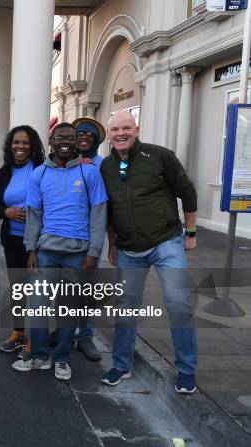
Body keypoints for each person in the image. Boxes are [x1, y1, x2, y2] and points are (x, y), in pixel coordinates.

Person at [100, 111, 198, 394]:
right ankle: (121, 364)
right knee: (125, 308)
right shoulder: (106, 166)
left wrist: (190, 233)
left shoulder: (160, 156)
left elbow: (188, 193)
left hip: (166, 243)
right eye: (115, 129)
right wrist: (114, 244)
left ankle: (186, 369)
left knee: (178, 303)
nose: (121, 133)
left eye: (126, 128)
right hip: (129, 250)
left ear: (137, 129)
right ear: (109, 134)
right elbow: (109, 210)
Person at [12, 123, 107, 381]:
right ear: (51, 141)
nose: (65, 142)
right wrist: (30, 248)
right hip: (46, 253)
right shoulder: (39, 174)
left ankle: (63, 358)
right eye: (60, 138)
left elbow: (99, 214)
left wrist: (94, 252)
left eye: (71, 138)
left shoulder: (89, 173)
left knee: (68, 309)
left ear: (76, 142)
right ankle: (40, 356)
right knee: (39, 306)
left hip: (78, 253)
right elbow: (34, 215)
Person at [0, 125, 45, 354]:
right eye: (16, 142)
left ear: (32, 146)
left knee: (38, 291)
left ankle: (36, 339)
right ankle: (18, 333)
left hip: (40, 240)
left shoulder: (44, 169)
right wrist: (6, 212)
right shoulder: (3, 173)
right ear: (9, 146)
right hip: (13, 238)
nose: (20, 147)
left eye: (25, 142)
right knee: (18, 289)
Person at [64, 116, 108, 362]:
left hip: (89, 236)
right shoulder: (62, 162)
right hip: (64, 235)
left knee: (85, 289)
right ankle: (64, 333)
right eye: (80, 133)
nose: (84, 138)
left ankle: (85, 335)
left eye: (90, 135)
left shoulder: (102, 164)